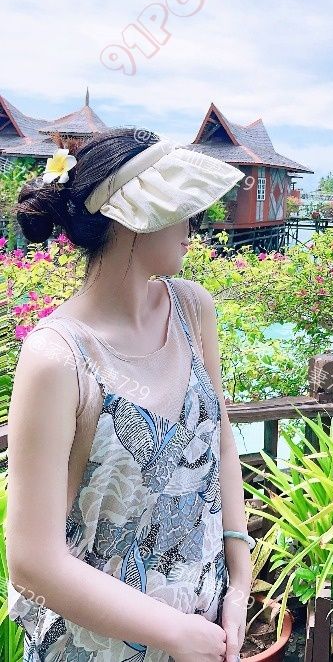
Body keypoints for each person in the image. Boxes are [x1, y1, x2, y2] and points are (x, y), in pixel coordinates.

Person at [6, 127, 253, 662]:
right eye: (179, 207)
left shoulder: (192, 309)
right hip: (94, 647)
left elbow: (222, 443)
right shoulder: (59, 357)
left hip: (204, 635)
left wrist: (238, 582)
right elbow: (31, 563)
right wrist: (174, 633)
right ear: (132, 216)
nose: (192, 226)